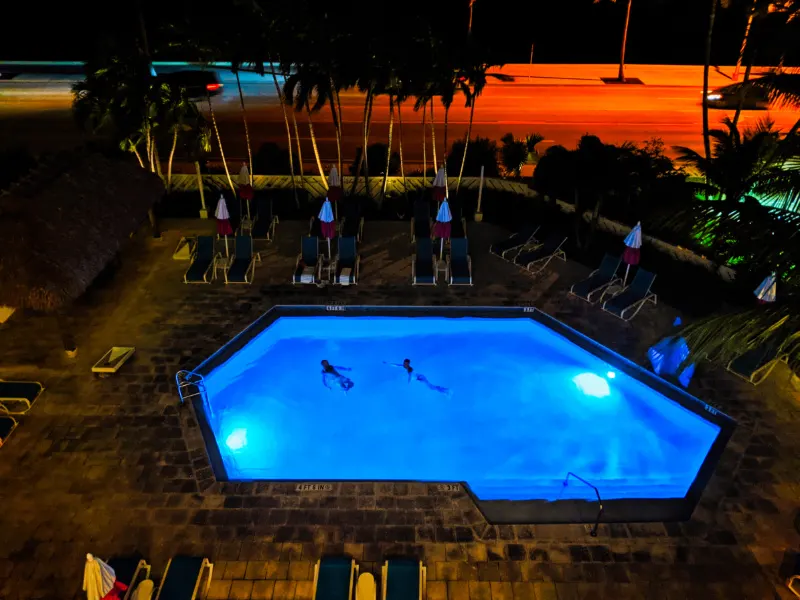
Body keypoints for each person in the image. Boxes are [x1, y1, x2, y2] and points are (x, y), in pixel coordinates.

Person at [385, 359, 450, 395]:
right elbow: (396, 365)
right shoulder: (403, 366)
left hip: (421, 378)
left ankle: (446, 391)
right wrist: (388, 363)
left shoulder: (410, 368)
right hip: (418, 379)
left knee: (431, 387)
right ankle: (445, 391)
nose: (404, 364)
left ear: (408, 364)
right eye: (404, 363)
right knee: (431, 387)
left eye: (406, 363)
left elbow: (410, 376)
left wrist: (408, 384)